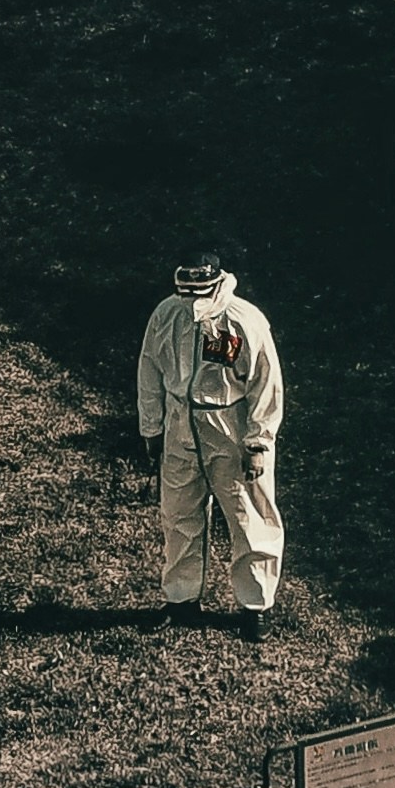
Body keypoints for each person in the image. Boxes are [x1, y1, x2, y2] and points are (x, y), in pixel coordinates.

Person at [136, 254, 286, 632]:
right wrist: (152, 428)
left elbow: (266, 386)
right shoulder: (166, 314)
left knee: (248, 514)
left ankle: (256, 607)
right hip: (179, 426)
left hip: (228, 429)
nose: (191, 302)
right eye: (185, 293)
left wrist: (257, 444)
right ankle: (181, 600)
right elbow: (149, 370)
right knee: (179, 514)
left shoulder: (243, 320)